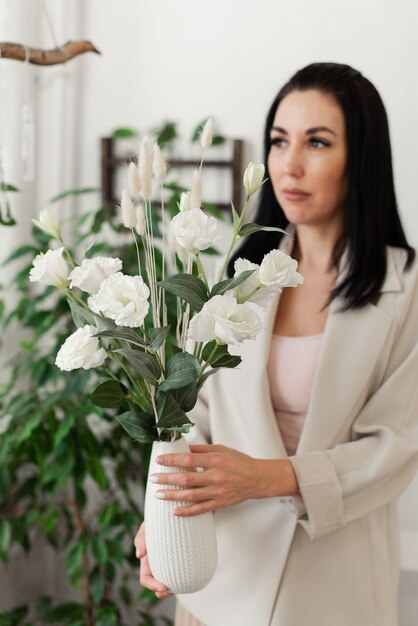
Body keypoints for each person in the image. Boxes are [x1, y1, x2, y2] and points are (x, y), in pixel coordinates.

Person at [134, 62, 418, 626]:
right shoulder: (235, 276)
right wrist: (164, 519)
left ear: (359, 157)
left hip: (331, 584)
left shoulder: (405, 288)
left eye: (317, 142)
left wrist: (269, 478)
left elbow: (397, 445)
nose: (289, 165)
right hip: (220, 576)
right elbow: (191, 416)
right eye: (279, 141)